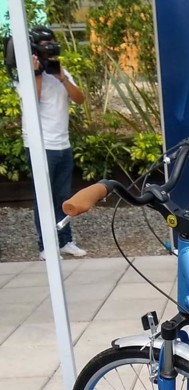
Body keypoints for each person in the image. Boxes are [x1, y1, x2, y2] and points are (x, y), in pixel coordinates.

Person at [20, 26, 87, 260]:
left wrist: (61, 78)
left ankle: (65, 240)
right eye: (44, 45)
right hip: (40, 145)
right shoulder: (26, 74)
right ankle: (46, 246)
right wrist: (37, 73)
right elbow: (33, 101)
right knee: (44, 197)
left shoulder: (60, 71)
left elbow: (79, 99)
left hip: (62, 144)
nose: (49, 48)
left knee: (63, 197)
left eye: (51, 43)